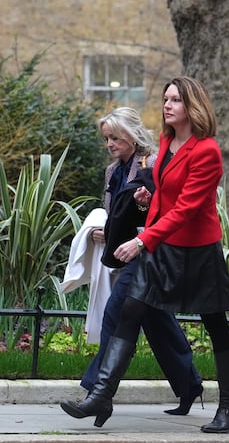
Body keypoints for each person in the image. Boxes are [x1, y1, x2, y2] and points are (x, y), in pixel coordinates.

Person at [60, 76, 229, 434]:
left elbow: (189, 208)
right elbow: (165, 193)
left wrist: (142, 241)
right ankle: (101, 395)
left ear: (193, 106)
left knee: (216, 327)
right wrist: (149, 201)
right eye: (166, 99)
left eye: (176, 99)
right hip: (163, 247)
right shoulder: (167, 142)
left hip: (197, 250)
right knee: (130, 309)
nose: (167, 105)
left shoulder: (207, 151)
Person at [80, 107, 203, 416]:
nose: (109, 144)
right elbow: (115, 215)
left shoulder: (154, 163)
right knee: (157, 322)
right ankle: (189, 386)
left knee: (117, 310)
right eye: (106, 138)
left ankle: (98, 391)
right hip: (128, 253)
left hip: (154, 253)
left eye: (115, 138)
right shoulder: (112, 171)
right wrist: (104, 233)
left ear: (132, 136)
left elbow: (168, 209)